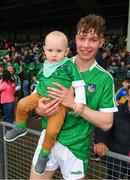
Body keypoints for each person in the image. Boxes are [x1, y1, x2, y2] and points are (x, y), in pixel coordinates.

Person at [30, 14, 118, 180]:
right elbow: (36, 100)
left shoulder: (105, 78)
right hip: (47, 141)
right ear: (75, 39)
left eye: (93, 40)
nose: (86, 45)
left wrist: (73, 103)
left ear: (101, 42)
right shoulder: (57, 64)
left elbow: (107, 123)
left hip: (76, 148)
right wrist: (39, 109)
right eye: (82, 38)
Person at [4, 31, 86, 174]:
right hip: (40, 95)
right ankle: (20, 127)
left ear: (66, 51)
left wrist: (79, 101)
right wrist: (34, 98)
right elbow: (41, 82)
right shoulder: (45, 65)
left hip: (59, 102)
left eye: (59, 51)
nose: (54, 54)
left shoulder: (69, 66)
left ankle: (44, 154)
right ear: (44, 50)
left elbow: (79, 84)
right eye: (50, 50)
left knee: (52, 130)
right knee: (22, 104)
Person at [93, 86, 130, 179]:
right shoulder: (116, 111)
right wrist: (100, 141)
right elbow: (103, 126)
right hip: (117, 157)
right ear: (127, 96)